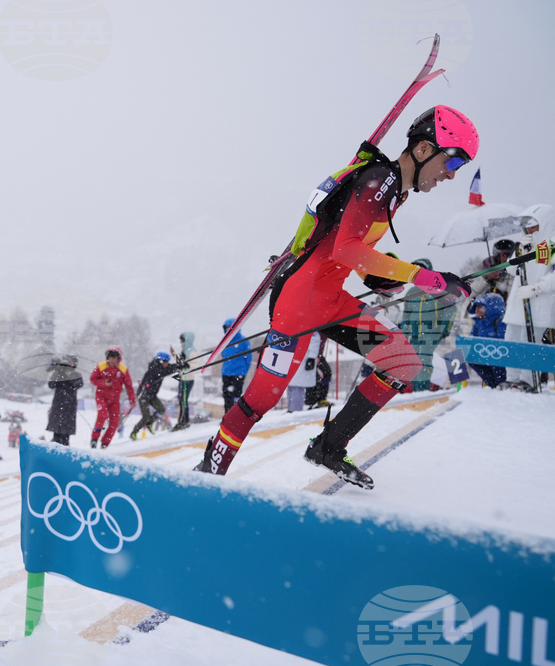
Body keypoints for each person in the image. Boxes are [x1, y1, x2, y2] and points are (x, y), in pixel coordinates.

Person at [200, 105, 477, 489]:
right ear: (424, 149)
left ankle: (329, 447)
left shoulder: (394, 192)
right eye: (454, 161)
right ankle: (207, 474)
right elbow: (347, 249)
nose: (451, 174)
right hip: (298, 305)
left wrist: (378, 278)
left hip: (331, 302)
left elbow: (351, 250)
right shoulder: (379, 181)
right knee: (259, 401)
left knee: (401, 362)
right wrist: (420, 276)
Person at [502, 204, 555, 391]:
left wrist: (538, 287)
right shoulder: (526, 244)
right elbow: (511, 270)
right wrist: (520, 250)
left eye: (534, 226)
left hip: (539, 302)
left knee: (530, 343)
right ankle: (511, 378)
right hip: (518, 301)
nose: (531, 231)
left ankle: (528, 381)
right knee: (511, 339)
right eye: (527, 227)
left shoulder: (552, 245)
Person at [398, 258, 460, 392]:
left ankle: (422, 389)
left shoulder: (439, 288)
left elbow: (451, 308)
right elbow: (406, 314)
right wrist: (404, 332)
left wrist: (444, 328)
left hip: (432, 331)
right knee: (413, 360)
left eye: (422, 270)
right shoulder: (411, 292)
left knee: (423, 359)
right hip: (414, 332)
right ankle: (414, 389)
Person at [89, 347, 137, 449]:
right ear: (107, 358)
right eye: (110, 357)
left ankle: (105, 444)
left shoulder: (123, 370)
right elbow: (92, 379)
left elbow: (129, 386)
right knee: (102, 416)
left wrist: (132, 400)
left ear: (118, 359)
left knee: (115, 422)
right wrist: (103, 383)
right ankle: (94, 439)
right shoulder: (101, 366)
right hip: (101, 396)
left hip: (115, 400)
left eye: (114, 358)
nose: (112, 360)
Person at [130, 352, 180, 439]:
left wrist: (178, 366)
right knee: (146, 417)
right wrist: (177, 367)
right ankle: (134, 432)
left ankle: (150, 423)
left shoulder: (161, 368)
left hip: (152, 396)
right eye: (166, 362)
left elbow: (168, 368)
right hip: (143, 396)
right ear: (160, 362)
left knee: (161, 410)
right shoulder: (154, 369)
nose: (167, 364)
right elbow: (165, 371)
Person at [469, 293, 508, 388]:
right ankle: (493, 384)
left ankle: (502, 383)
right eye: (476, 307)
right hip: (486, 355)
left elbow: (504, 344)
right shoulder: (478, 324)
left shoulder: (501, 322)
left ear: (490, 308)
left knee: (495, 360)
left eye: (481, 307)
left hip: (499, 357)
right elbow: (471, 340)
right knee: (472, 359)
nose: (477, 309)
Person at [46, 354, 83, 446]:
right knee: (56, 429)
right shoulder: (58, 373)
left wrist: (68, 378)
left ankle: (65, 445)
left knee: (66, 431)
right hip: (58, 404)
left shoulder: (76, 375)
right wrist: (60, 374)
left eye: (72, 362)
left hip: (70, 406)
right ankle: (56, 444)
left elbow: (79, 384)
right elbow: (51, 384)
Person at [220, 318, 251, 412]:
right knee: (226, 395)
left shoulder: (243, 341)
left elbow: (248, 358)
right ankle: (227, 415)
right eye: (226, 327)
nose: (228, 329)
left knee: (236, 396)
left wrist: (243, 371)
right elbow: (223, 354)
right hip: (226, 373)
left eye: (230, 327)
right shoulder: (224, 341)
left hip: (238, 373)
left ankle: (235, 415)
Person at [286, 333, 321, 412]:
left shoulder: (311, 330)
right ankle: (291, 408)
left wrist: (311, 357)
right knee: (291, 385)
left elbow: (315, 340)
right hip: (296, 355)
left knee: (297, 385)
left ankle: (295, 409)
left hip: (303, 357)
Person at [173, 331, 196, 430]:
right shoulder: (184, 351)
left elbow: (197, 364)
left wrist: (188, 365)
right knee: (181, 399)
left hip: (188, 379)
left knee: (183, 400)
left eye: (182, 341)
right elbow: (181, 362)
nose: (181, 343)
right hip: (183, 379)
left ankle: (183, 421)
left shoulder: (192, 352)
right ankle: (184, 420)